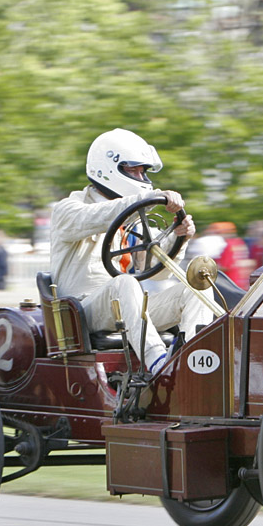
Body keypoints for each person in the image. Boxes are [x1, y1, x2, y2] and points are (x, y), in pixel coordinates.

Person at [49, 128, 212, 376]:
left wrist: (179, 236)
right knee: (123, 283)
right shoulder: (69, 210)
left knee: (199, 288)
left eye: (142, 171)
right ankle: (159, 363)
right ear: (107, 168)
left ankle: (192, 362)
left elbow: (157, 274)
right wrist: (149, 199)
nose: (140, 177)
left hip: (128, 307)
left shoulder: (134, 219)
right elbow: (101, 216)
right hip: (82, 312)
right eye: (133, 170)